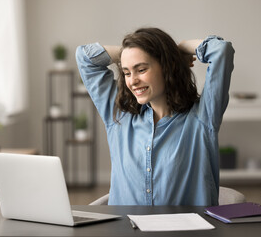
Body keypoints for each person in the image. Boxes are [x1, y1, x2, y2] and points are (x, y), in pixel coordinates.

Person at [75, 27, 234, 206]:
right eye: (127, 72)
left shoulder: (202, 118)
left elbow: (221, 51)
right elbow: (84, 57)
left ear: (167, 67)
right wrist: (129, 52)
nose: (132, 81)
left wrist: (179, 48)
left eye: (141, 69)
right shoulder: (120, 116)